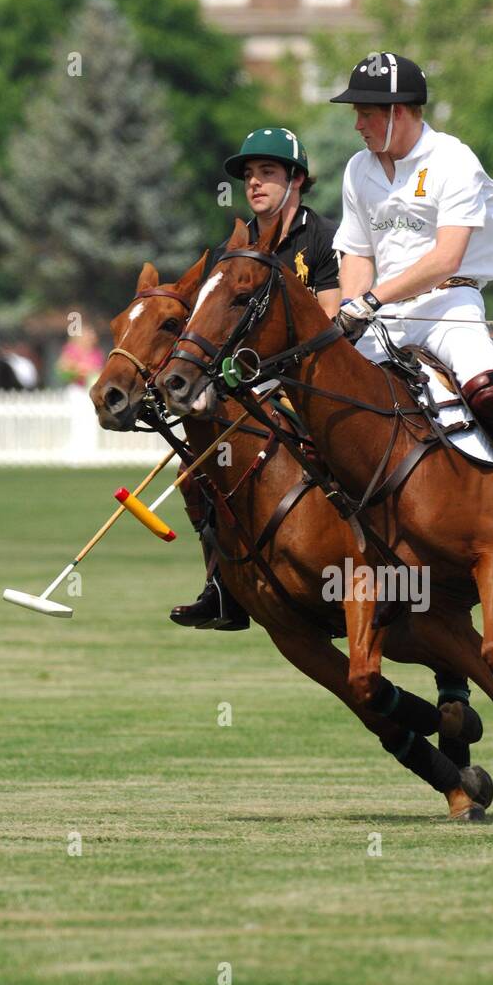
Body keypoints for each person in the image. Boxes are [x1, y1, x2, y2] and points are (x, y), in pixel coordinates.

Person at [329, 52, 493, 571]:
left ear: (399, 112)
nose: (357, 124)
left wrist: (373, 300)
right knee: (330, 390)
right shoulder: (359, 168)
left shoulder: (453, 160)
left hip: (450, 299)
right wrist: (350, 307)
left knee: (486, 389)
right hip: (381, 313)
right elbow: (356, 251)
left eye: (365, 113)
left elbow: (446, 257)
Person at [170, 127, 341, 631]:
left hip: (308, 377)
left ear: (297, 179)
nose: (254, 184)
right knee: (195, 474)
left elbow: (331, 314)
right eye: (249, 175)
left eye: (267, 172)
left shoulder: (324, 237)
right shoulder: (235, 246)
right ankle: (223, 586)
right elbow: (208, 320)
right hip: (248, 386)